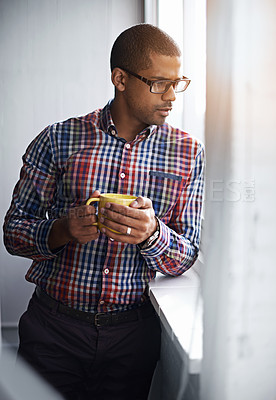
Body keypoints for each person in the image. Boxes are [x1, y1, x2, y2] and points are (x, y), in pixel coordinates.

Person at [3, 23, 205, 400]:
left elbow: (185, 256)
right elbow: (13, 232)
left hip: (133, 336)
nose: (172, 97)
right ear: (120, 79)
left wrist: (151, 233)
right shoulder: (58, 140)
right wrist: (63, 229)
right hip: (53, 330)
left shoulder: (187, 153)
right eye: (159, 83)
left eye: (177, 83)